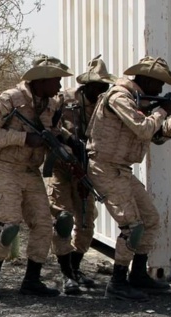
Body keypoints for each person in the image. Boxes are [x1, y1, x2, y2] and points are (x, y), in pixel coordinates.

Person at [86, 56, 171, 301]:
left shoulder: (139, 101)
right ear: (146, 79)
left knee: (151, 220)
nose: (162, 90)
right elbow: (145, 128)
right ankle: (117, 283)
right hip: (104, 167)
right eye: (160, 84)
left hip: (121, 169)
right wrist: (161, 110)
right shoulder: (119, 97)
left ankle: (137, 275)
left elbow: (158, 135)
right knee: (132, 227)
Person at [0, 55, 73, 300]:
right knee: (8, 225)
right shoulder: (9, 99)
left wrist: (60, 140)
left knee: (43, 224)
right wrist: (23, 139)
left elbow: (52, 129)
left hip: (31, 170)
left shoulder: (51, 105)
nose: (60, 86)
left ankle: (32, 280)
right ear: (41, 80)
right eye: (56, 80)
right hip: (7, 168)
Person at [49, 55, 117, 295]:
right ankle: (65, 273)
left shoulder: (106, 103)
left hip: (86, 171)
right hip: (62, 167)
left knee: (87, 222)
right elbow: (48, 124)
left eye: (105, 86)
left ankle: (75, 268)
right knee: (64, 219)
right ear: (86, 85)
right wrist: (68, 140)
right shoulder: (64, 99)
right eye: (98, 86)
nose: (102, 90)